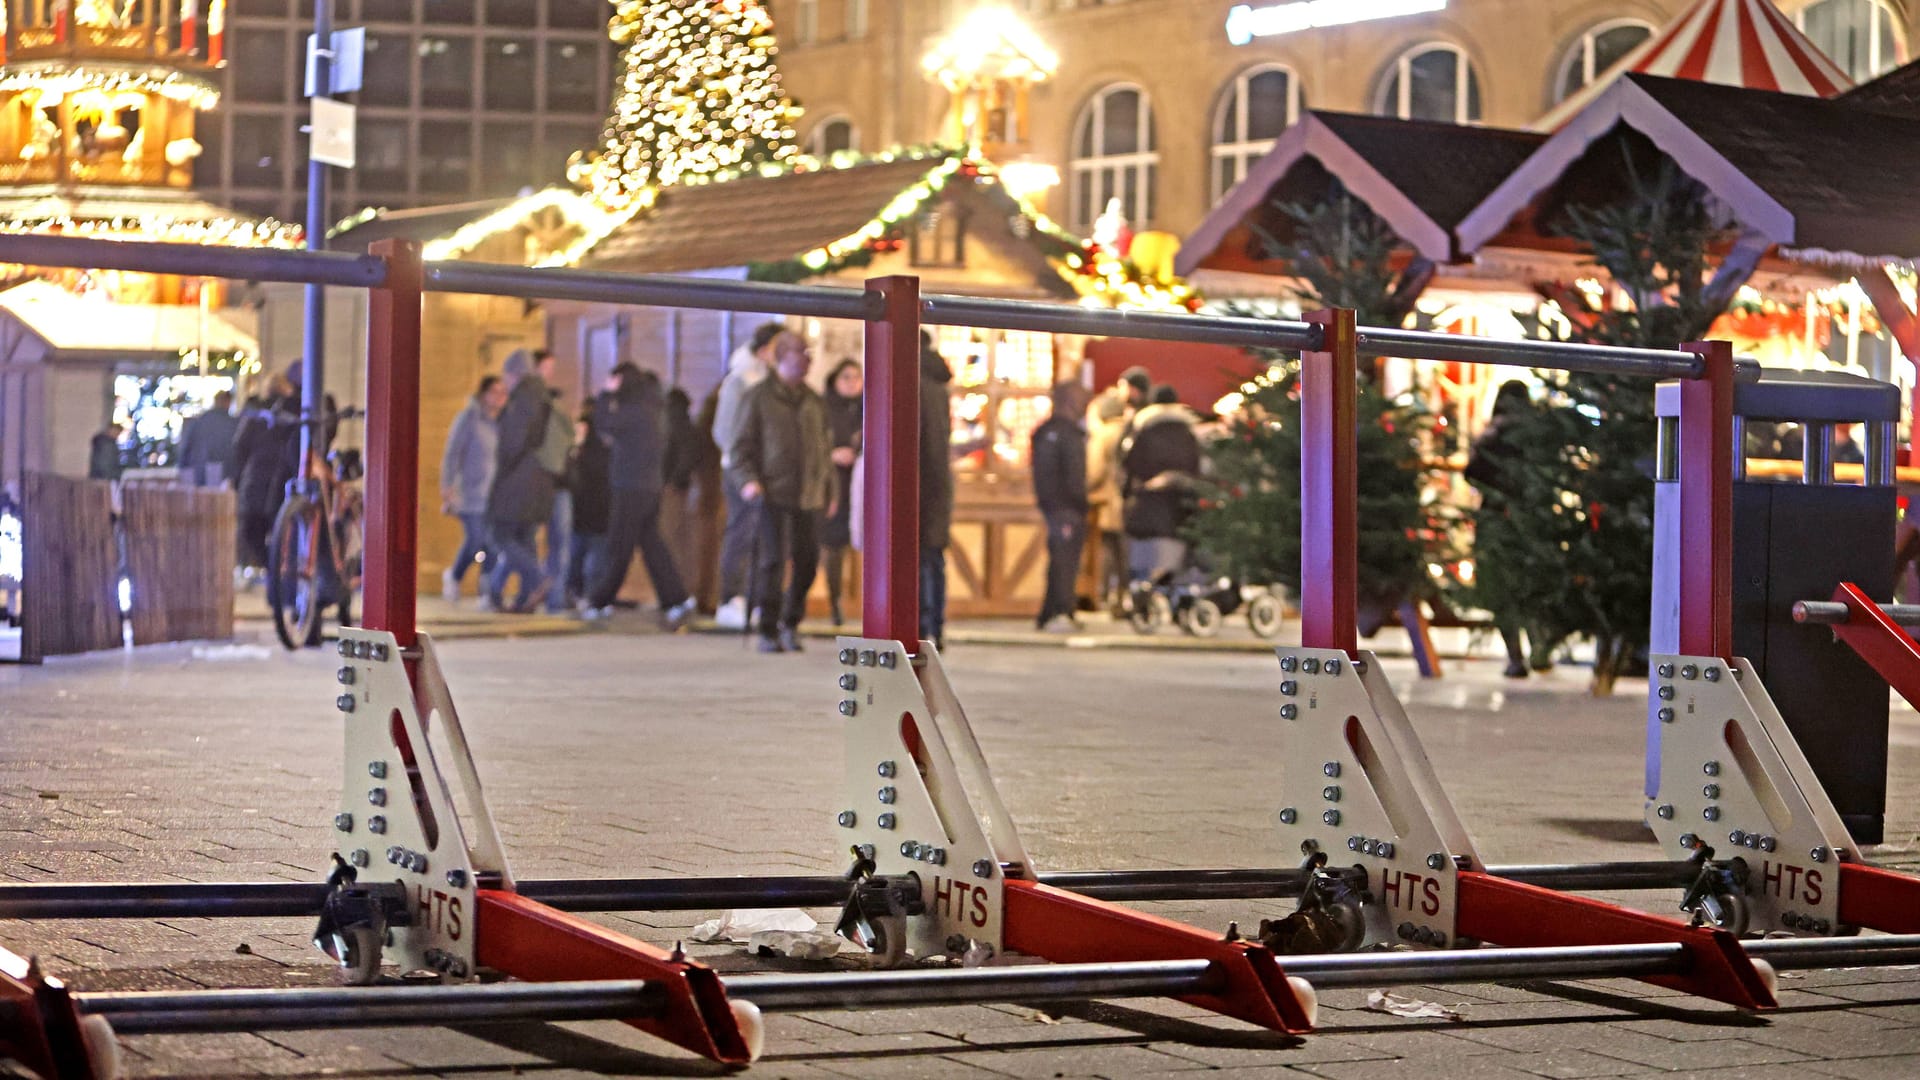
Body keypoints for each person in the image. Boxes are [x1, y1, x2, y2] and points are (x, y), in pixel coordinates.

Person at [728, 331, 833, 653]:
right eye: (801, 353)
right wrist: (748, 480)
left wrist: (830, 490)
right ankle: (768, 627)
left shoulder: (814, 401)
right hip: (772, 492)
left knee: (807, 561)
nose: (807, 360)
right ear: (782, 357)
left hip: (809, 494)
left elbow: (824, 448)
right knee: (772, 561)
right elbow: (739, 447)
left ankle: (791, 622)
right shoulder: (758, 397)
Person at [585, 363, 696, 627]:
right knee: (652, 546)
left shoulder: (634, 410)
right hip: (650, 486)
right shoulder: (655, 408)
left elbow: (603, 424)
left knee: (619, 547)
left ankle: (599, 601)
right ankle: (676, 599)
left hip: (630, 486)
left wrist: (605, 395)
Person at [1465, 380, 1543, 679]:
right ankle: (1539, 649)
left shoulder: (1492, 436)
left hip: (1494, 519)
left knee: (1501, 591)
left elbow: (1471, 473)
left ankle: (1515, 658)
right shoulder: (1536, 437)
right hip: (1530, 520)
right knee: (1531, 586)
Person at [711, 322, 786, 628]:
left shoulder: (773, 381)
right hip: (739, 470)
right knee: (741, 532)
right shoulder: (740, 380)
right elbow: (724, 430)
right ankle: (731, 599)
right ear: (764, 349)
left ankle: (757, 600)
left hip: (769, 472)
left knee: (764, 537)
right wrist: (744, 468)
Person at [484, 348, 558, 613]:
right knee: (525, 538)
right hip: (540, 480)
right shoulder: (543, 396)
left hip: (518, 479)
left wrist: (501, 470)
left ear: (515, 374)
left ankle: (537, 578)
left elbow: (513, 442)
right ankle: (526, 599)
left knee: (500, 534)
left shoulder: (523, 398)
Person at [1119, 385, 1201, 584]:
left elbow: (1130, 465)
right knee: (1173, 567)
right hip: (1180, 508)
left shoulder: (1145, 431)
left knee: (1144, 568)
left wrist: (1128, 495)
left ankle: (1146, 590)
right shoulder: (1188, 433)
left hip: (1148, 506)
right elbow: (1196, 467)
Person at [1087, 367, 1150, 610]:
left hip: (1109, 499)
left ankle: (1105, 594)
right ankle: (1126, 595)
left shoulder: (1103, 434)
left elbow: (1094, 470)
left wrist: (1084, 489)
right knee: (1126, 551)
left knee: (1109, 549)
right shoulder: (1133, 428)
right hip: (1131, 498)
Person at [440, 374, 505, 603]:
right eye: (494, 392)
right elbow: (452, 453)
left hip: (494, 495)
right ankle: (454, 575)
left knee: (492, 545)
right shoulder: (469, 418)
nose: (499, 397)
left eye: (502, 393)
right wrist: (447, 485)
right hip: (469, 493)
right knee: (476, 540)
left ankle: (486, 591)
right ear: (484, 394)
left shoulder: (500, 423)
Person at [1032, 380, 1090, 632]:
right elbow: (1074, 476)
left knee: (1059, 558)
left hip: (1053, 506)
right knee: (1065, 560)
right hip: (1066, 507)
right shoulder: (1068, 435)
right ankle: (1061, 611)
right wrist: (1080, 503)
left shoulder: (1045, 433)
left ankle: (1050, 612)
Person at [919, 332, 955, 649]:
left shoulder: (912, 382)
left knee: (917, 562)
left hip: (918, 485)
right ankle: (937, 627)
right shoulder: (938, 387)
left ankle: (920, 626)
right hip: (939, 484)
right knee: (934, 559)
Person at [820, 358, 863, 625]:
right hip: (833, 483)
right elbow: (814, 445)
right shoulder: (824, 408)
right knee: (833, 545)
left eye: (856, 377)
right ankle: (835, 600)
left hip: (860, 483)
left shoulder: (868, 407)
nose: (852, 383)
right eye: (846, 377)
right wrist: (832, 455)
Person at [565, 409, 612, 611]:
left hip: (583, 514)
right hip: (600, 515)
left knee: (579, 558)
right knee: (593, 561)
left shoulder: (580, 453)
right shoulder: (606, 451)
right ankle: (592, 597)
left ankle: (579, 594)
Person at [175, 391, 239, 486]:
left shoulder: (198, 421)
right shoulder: (234, 424)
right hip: (226, 476)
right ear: (228, 402)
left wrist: (183, 472)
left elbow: (185, 450)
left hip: (199, 473)